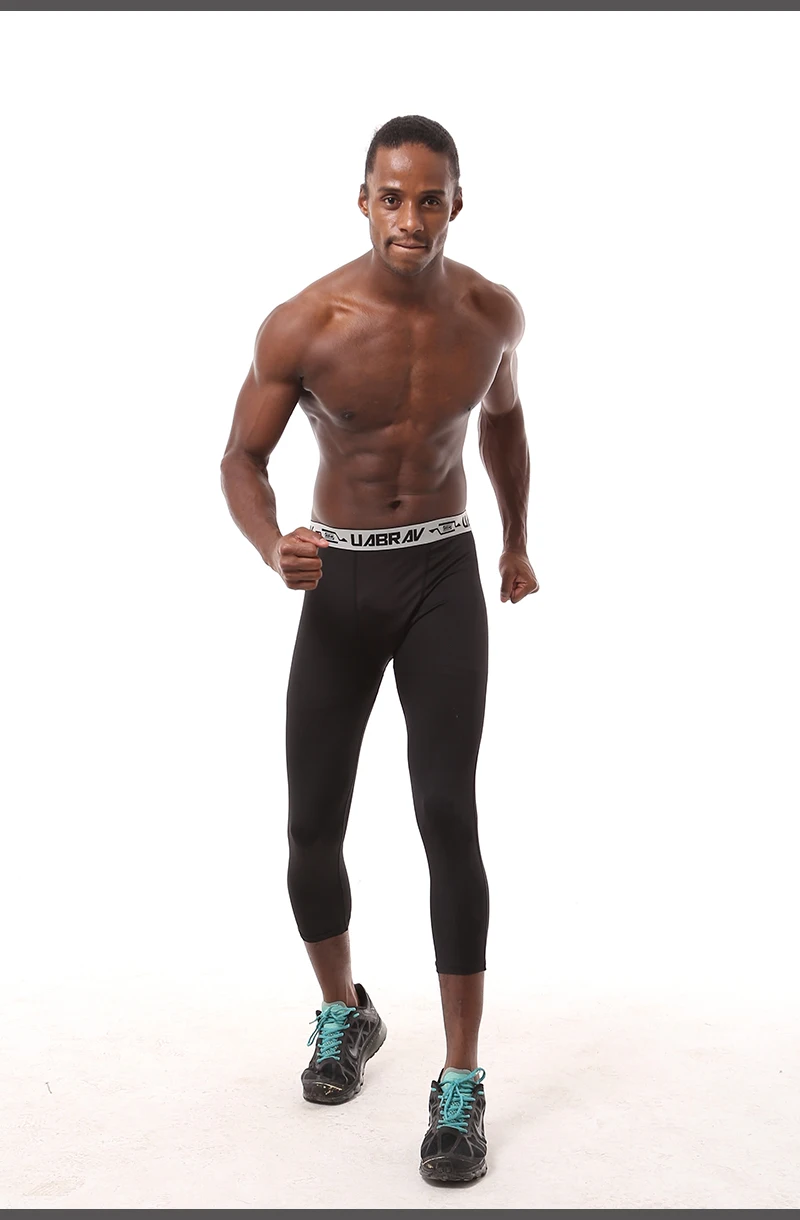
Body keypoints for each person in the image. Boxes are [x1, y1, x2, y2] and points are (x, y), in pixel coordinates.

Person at [220, 114, 538, 1184]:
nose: (410, 217)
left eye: (429, 198)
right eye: (391, 197)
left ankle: (461, 1079)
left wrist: (516, 540)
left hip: (443, 573)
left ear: (456, 203)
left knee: (447, 813)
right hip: (341, 582)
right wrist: (273, 544)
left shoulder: (490, 314)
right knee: (311, 823)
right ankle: (343, 1012)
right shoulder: (304, 324)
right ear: (362, 201)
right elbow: (240, 458)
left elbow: (502, 421)